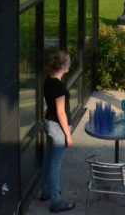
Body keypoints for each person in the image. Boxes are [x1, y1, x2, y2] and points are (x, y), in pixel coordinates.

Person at [41, 51, 75, 212]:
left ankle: (46, 191)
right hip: (57, 129)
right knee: (55, 166)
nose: (70, 64)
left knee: (48, 160)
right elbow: (61, 112)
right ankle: (56, 201)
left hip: (49, 123)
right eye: (68, 62)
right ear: (62, 66)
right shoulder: (59, 87)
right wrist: (68, 136)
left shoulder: (49, 80)